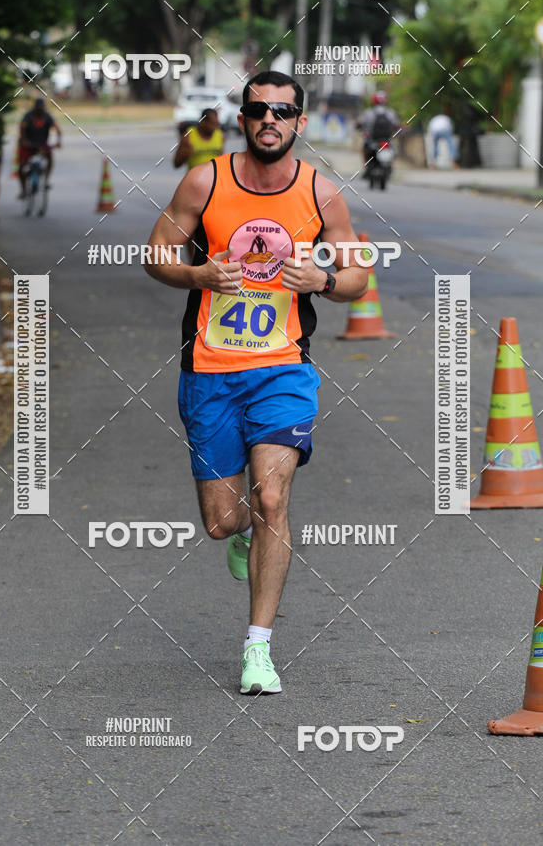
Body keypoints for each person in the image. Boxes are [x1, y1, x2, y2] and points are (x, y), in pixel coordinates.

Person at [146, 70, 368, 696]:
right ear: (243, 119)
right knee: (225, 521)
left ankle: (258, 649)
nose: (270, 119)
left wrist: (319, 281)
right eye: (258, 110)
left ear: (301, 122)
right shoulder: (205, 180)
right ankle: (240, 537)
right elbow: (156, 254)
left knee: (273, 500)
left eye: (283, 111)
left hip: (283, 369)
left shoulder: (323, 195)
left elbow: (356, 280)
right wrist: (198, 277)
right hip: (210, 371)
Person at [18, 97, 61, 197]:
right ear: (35, 108)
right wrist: (24, 141)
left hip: (42, 145)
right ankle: (23, 189)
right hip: (28, 144)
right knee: (21, 166)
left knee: (49, 156)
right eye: (38, 110)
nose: (40, 111)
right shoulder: (28, 116)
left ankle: (46, 180)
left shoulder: (47, 116)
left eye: (41, 109)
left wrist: (58, 142)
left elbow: (57, 129)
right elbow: (22, 129)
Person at [357, 91, 400, 172]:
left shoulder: (368, 112)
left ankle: (366, 168)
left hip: (372, 140)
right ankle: (389, 166)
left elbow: (359, 124)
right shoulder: (391, 112)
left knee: (364, 149)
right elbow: (396, 125)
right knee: (394, 150)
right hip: (387, 140)